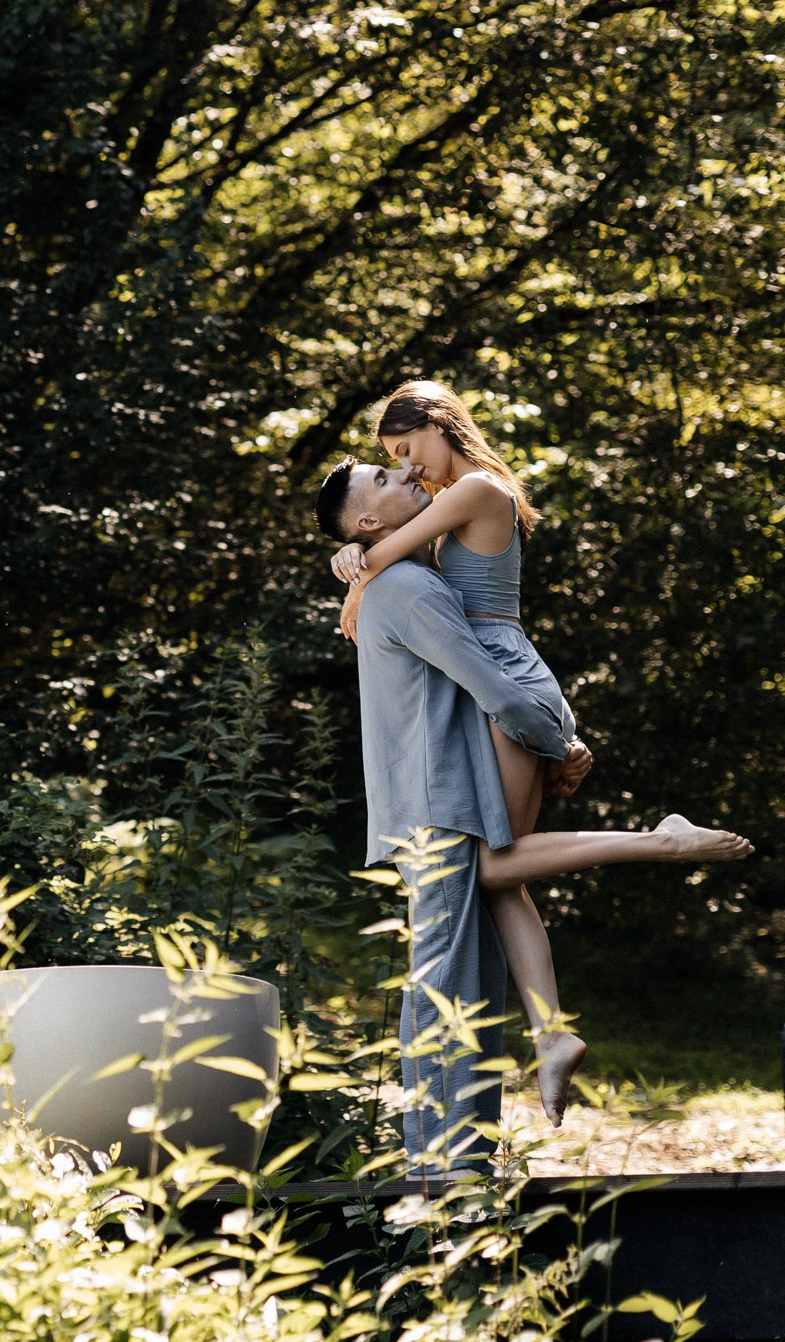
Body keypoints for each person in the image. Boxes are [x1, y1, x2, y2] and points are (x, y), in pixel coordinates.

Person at [322, 382, 752, 1127]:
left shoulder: (479, 488)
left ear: (433, 423)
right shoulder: (445, 504)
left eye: (404, 451)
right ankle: (551, 1036)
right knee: (499, 874)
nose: (408, 469)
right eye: (391, 464)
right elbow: (387, 545)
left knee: (495, 862)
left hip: (507, 681)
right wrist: (357, 556)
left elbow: (389, 548)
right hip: (499, 682)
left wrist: (357, 578)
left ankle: (659, 841)